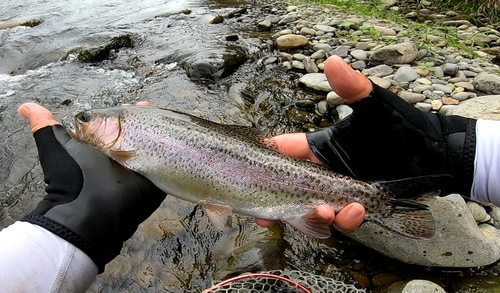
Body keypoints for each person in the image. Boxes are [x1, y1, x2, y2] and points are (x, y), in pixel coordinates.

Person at [0, 55, 496, 292]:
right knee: (310, 211)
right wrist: (461, 153)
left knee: (315, 210)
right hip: (251, 179)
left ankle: (387, 202)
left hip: (258, 177)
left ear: (114, 126)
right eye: (84, 122)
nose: (83, 127)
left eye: (88, 123)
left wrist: (65, 232)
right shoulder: (128, 131)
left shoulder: (129, 135)